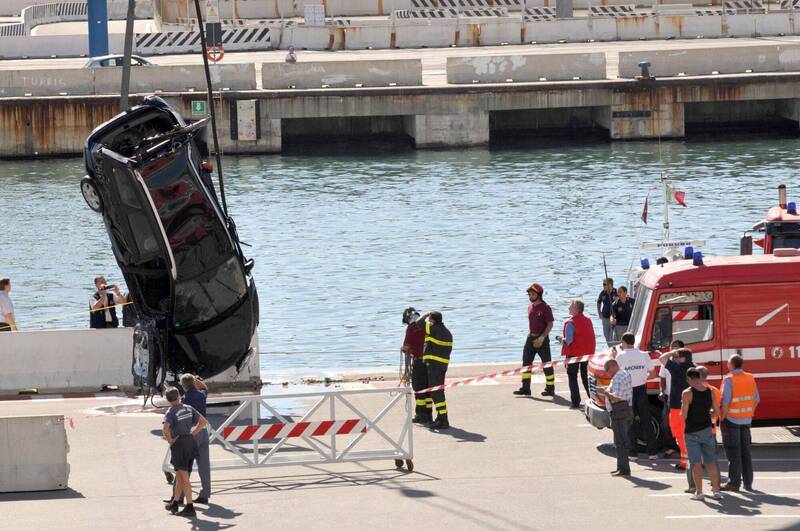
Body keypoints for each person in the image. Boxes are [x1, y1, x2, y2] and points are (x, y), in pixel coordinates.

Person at [163, 386, 208, 517]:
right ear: (179, 396)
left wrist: (170, 440)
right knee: (180, 474)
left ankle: (189, 506)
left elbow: (166, 428)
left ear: (168, 399)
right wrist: (192, 434)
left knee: (184, 478)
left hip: (179, 445)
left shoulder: (171, 411)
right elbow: (203, 422)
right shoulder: (188, 408)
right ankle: (175, 502)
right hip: (190, 442)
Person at [614, 332, 658, 460]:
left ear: (624, 343)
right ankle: (652, 452)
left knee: (630, 421)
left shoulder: (621, 356)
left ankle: (632, 452)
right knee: (646, 420)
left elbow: (616, 375)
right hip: (641, 389)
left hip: (628, 390)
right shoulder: (644, 355)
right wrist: (643, 378)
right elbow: (653, 374)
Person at [720, 354, 759, 493]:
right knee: (746, 453)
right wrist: (748, 413)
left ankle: (734, 483)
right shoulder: (750, 377)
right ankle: (748, 483)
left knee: (734, 453)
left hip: (731, 420)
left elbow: (725, 402)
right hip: (746, 420)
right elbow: (756, 399)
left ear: (731, 365)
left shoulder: (729, 379)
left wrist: (722, 417)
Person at [681, 367, 722, 500]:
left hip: (692, 432)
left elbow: (684, 415)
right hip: (706, 430)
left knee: (696, 463)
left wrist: (682, 412)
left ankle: (699, 492)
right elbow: (716, 412)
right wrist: (708, 414)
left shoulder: (687, 393)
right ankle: (716, 491)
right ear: (699, 377)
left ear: (689, 379)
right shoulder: (709, 391)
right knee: (711, 462)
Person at [514, 283, 555, 397]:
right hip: (530, 338)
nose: (530, 296)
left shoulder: (545, 308)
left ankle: (550, 388)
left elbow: (550, 324)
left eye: (532, 294)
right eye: (529, 294)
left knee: (546, 364)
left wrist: (542, 337)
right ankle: (525, 388)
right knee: (526, 363)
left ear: (539, 295)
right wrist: (531, 336)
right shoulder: (530, 307)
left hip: (542, 339)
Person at [414, 310, 452, 430]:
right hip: (441, 366)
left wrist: (425, 314)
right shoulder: (447, 332)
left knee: (436, 393)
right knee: (438, 391)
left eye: (430, 319)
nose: (428, 321)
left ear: (433, 320)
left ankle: (443, 419)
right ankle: (441, 418)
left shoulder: (433, 329)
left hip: (434, 366)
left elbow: (418, 322)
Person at [660, 347, 695, 471]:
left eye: (677, 356)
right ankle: (697, 460)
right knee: (691, 435)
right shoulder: (694, 368)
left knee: (680, 435)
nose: (675, 358)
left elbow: (661, 358)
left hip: (677, 407)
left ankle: (685, 462)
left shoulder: (677, 368)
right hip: (692, 406)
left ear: (683, 358)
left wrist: (670, 352)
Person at [597, 359, 633, 477]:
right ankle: (621, 468)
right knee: (621, 441)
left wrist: (604, 392)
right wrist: (608, 389)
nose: (608, 373)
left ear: (613, 366)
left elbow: (616, 398)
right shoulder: (624, 373)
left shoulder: (617, 378)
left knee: (620, 442)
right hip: (625, 410)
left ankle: (624, 469)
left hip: (619, 412)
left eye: (607, 370)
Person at [557, 299, 595, 409]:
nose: (568, 307)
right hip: (587, 354)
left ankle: (575, 401)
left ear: (576, 309)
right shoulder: (588, 320)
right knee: (586, 377)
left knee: (572, 377)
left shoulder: (570, 323)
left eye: (570, 305)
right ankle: (593, 399)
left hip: (574, 355)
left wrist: (560, 339)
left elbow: (568, 341)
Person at [180, 374, 210, 504]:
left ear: (183, 386)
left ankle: (179, 496)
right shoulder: (201, 394)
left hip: (192, 432)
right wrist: (196, 379)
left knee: (183, 465)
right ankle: (205, 494)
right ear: (194, 383)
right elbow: (205, 387)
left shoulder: (185, 398)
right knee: (204, 465)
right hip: (203, 431)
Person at [402, 307, 432, 424]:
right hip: (430, 362)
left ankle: (420, 414)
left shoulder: (411, 327)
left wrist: (404, 350)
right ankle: (428, 414)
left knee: (418, 388)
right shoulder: (427, 325)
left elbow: (406, 347)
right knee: (428, 388)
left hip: (419, 362)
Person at [658, 339, 684, 457]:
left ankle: (684, 446)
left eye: (675, 347)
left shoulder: (685, 363)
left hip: (684, 398)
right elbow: (662, 379)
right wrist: (661, 391)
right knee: (667, 423)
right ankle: (671, 446)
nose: (672, 349)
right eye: (671, 347)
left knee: (684, 423)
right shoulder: (666, 363)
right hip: (669, 397)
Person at [596, 278, 617, 346]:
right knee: (606, 335)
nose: (603, 286)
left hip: (613, 317)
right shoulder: (602, 293)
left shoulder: (615, 292)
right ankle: (610, 348)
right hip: (605, 317)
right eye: (603, 284)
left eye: (604, 284)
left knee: (612, 336)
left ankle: (613, 348)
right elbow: (599, 302)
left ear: (610, 285)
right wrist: (599, 313)